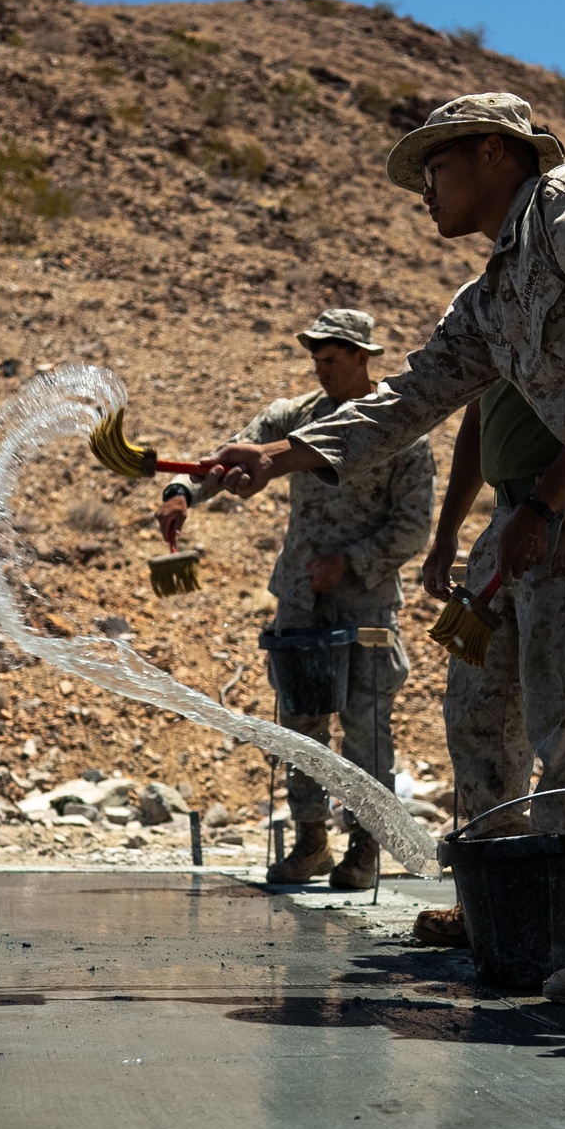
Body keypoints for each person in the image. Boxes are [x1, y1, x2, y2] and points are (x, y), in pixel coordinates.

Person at [198, 91, 565, 767]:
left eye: (436, 167)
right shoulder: (490, 301)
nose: (425, 189)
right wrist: (277, 456)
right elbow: (409, 398)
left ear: (493, 150)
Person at [157, 308, 434, 890]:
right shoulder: (295, 419)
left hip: (366, 605)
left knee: (365, 726)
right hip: (302, 602)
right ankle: (311, 841)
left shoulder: (398, 428)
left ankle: (365, 847)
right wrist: (183, 491)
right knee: (302, 722)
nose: (322, 369)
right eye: (316, 360)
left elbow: (412, 526)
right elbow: (232, 456)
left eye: (333, 359)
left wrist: (350, 563)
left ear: (363, 356)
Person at [415, 382, 565, 946]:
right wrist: (449, 531)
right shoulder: (494, 318)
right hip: (505, 520)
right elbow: (477, 421)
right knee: (477, 718)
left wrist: (543, 509)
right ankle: (491, 897)